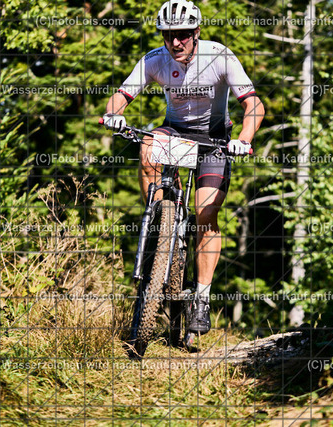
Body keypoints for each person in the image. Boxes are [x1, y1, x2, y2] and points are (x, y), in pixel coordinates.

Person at [102, 0, 264, 335]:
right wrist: (114, 114)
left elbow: (254, 104)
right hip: (175, 131)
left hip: (214, 138)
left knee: (206, 214)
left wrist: (244, 138)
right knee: (148, 145)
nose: (175, 42)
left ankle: (201, 298)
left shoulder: (219, 56)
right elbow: (121, 95)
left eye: (183, 35)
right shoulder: (155, 59)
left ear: (196, 32)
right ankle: (162, 221)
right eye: (168, 35)